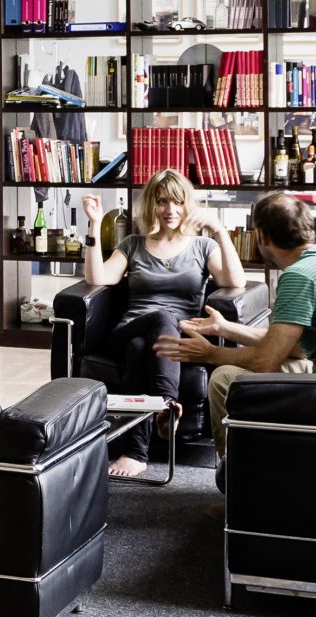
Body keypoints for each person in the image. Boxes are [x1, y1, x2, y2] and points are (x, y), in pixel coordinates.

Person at [156, 190, 316, 450]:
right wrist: (224, 328)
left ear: (261, 236)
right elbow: (293, 347)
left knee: (225, 379)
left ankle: (234, 472)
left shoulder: (300, 276)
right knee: (283, 362)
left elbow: (265, 362)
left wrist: (209, 354)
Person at [79, 169, 244, 477]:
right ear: (152, 205)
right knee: (162, 319)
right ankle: (168, 404)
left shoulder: (201, 247)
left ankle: (136, 452)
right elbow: (98, 278)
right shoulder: (134, 244)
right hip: (127, 332)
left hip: (163, 342)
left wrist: (219, 231)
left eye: (178, 202)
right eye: (163, 201)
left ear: (188, 205)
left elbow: (235, 281)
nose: (170, 210)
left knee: (143, 349)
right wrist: (94, 223)